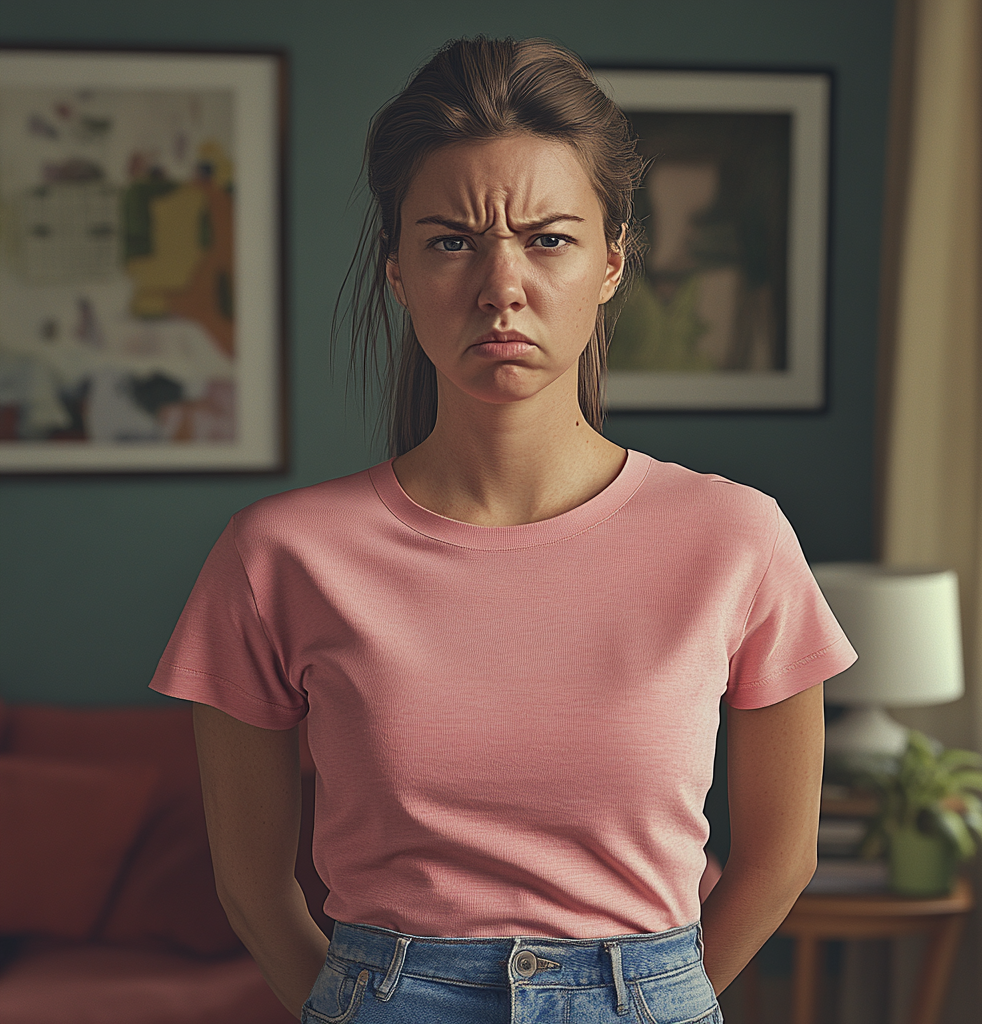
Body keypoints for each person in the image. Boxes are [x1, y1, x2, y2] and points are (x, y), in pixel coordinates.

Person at [150, 36, 857, 1024]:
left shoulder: (735, 539)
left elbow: (783, 858)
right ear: (395, 269)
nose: (500, 285)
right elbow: (252, 889)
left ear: (612, 261)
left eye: (547, 238)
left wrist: (659, 998)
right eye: (450, 241)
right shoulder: (277, 557)